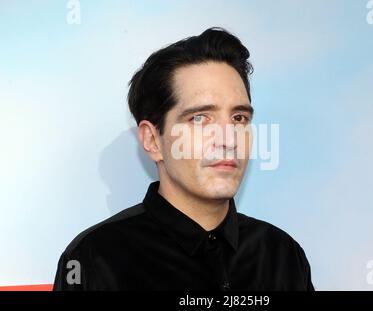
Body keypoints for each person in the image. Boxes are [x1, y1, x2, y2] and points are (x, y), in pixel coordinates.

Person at [53, 27, 314, 291]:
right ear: (153, 140)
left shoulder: (284, 256)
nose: (229, 139)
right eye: (199, 118)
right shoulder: (93, 262)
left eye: (239, 118)